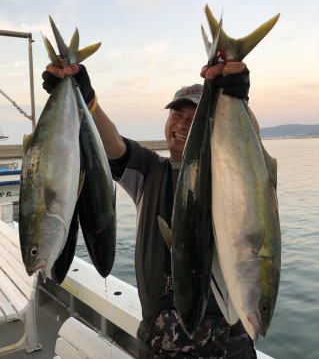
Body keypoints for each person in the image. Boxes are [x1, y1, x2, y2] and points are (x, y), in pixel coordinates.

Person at [43, 60, 256, 359]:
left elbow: (250, 154)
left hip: (229, 347)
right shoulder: (149, 170)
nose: (181, 124)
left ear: (213, 124)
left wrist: (238, 100)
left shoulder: (228, 176)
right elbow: (112, 143)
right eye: (176, 114)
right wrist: (85, 96)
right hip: (157, 344)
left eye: (194, 117)